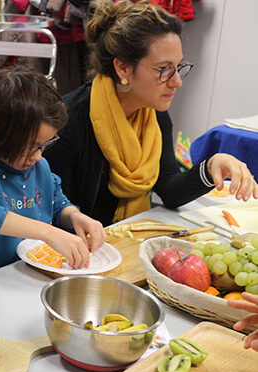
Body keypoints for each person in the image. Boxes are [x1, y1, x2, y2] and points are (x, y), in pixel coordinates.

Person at [44, 1, 258, 227]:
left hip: (124, 240)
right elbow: (54, 213)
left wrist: (212, 165)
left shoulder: (154, 115)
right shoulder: (68, 121)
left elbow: (169, 189)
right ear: (123, 68)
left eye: (179, 67)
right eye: (164, 70)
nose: (177, 82)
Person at [0, 67, 105, 275]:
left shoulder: (38, 166)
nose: (38, 156)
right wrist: (47, 232)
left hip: (35, 272)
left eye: (44, 145)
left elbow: (56, 203)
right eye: (30, 147)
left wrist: (75, 216)